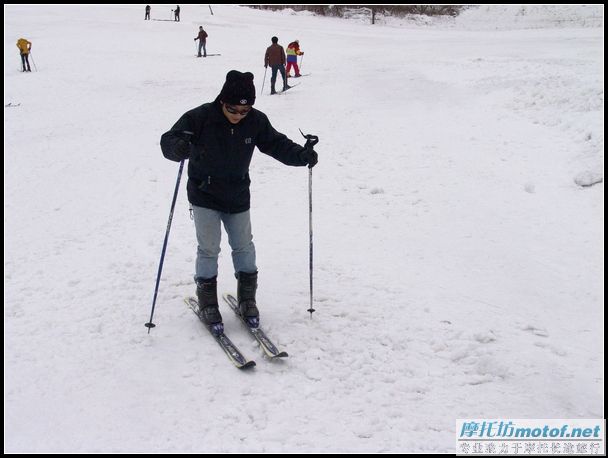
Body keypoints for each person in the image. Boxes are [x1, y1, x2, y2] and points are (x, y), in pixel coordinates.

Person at [160, 70, 318, 331]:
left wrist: (301, 156)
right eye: (233, 110)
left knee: (244, 246)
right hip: (204, 194)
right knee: (209, 248)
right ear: (223, 101)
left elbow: (276, 144)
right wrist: (176, 148)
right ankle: (207, 301)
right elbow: (169, 139)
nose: (238, 116)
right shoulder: (199, 117)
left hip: (237, 194)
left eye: (244, 111)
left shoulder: (255, 121)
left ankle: (247, 299)